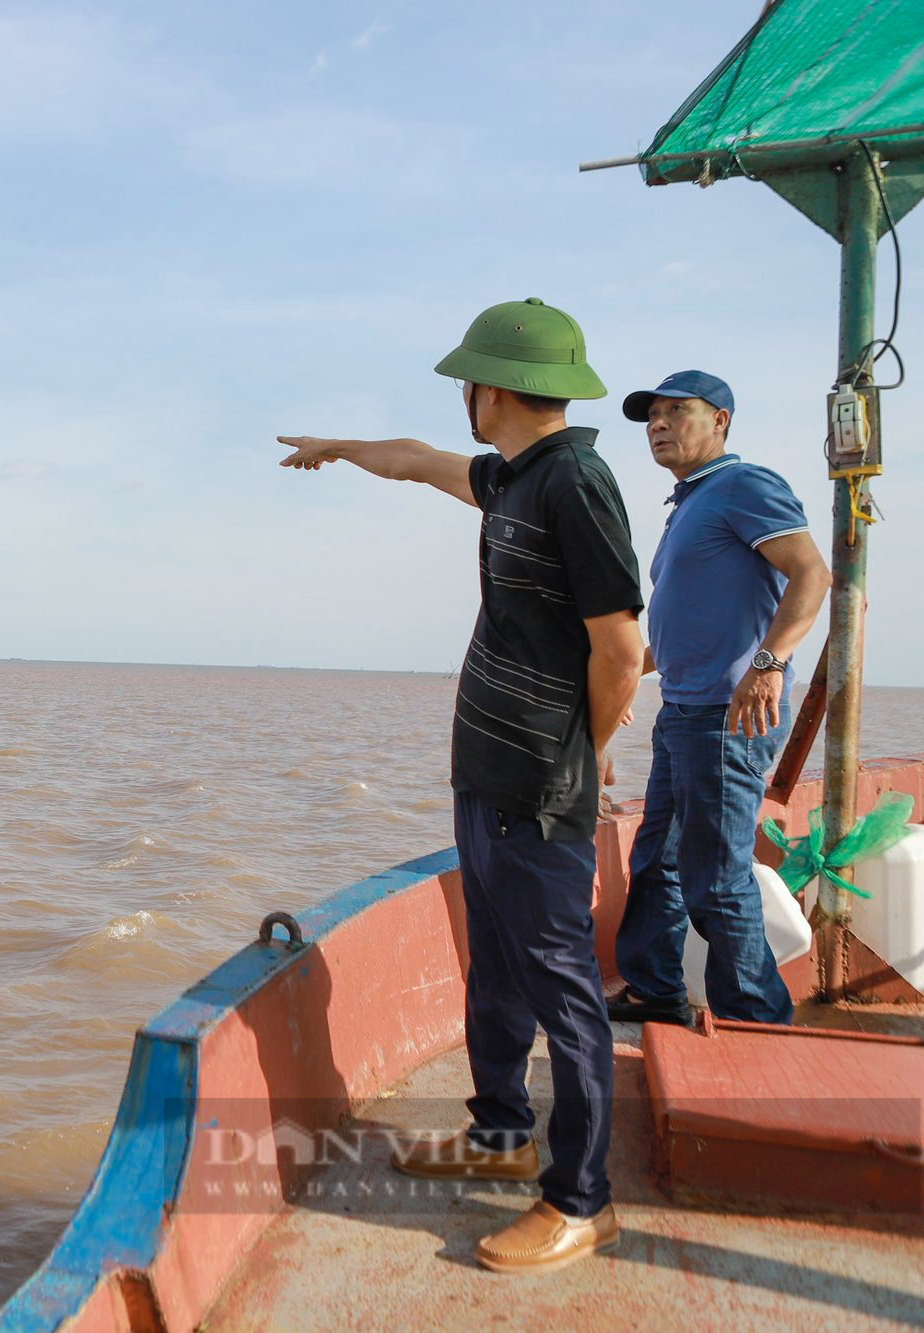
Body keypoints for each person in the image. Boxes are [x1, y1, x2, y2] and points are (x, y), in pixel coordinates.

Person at [277, 297, 644, 1275]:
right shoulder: (513, 477)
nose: (461, 405)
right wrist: (337, 446)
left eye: (466, 386)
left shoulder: (576, 483)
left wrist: (581, 748)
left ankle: (580, 1201)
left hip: (536, 787)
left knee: (561, 995)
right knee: (490, 967)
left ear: (493, 386)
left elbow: (620, 647)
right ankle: (495, 1134)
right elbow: (416, 459)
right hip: (484, 779)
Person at [606, 371, 828, 1027]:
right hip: (683, 713)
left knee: (717, 875)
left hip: (729, 715)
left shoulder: (744, 485)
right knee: (657, 858)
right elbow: (683, 631)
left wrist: (769, 662)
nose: (659, 424)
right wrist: (619, 677)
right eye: (652, 416)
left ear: (721, 420)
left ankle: (756, 1021)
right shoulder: (687, 507)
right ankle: (653, 987)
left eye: (678, 411)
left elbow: (812, 573)